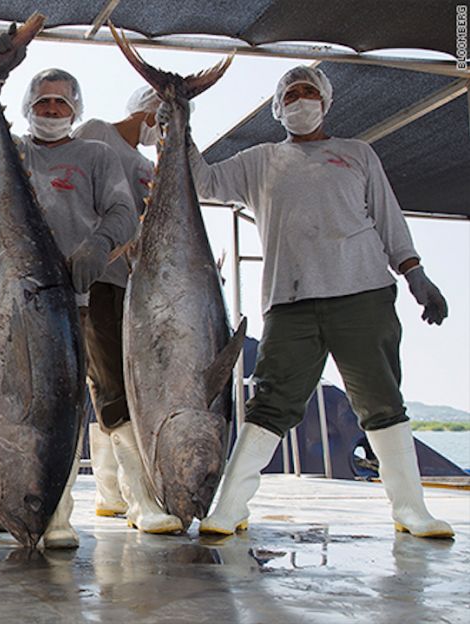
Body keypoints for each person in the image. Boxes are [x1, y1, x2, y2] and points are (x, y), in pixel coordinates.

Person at [189, 66, 453, 539]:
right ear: (278, 107)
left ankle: (411, 510)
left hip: (364, 293)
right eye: (291, 93)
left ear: (326, 101)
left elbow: (389, 222)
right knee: (270, 403)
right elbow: (202, 183)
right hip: (289, 302)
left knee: (382, 402)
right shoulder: (260, 160)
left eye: (309, 91)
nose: (301, 99)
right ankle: (229, 508)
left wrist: (416, 274)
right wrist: (178, 123)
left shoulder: (357, 154)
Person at [0, 68, 138, 548]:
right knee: (8, 394)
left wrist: (98, 246)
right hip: (5, 305)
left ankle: (57, 509)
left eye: (60, 103)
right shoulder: (10, 150)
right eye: (42, 103)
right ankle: (12, 491)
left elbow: (124, 213)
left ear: (75, 109)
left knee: (63, 399)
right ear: (26, 108)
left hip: (69, 298)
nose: (51, 111)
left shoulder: (95, 155)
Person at [71, 87, 187, 532]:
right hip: (95, 279)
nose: (157, 127)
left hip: (131, 288)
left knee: (117, 382)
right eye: (156, 116)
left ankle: (110, 496)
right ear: (144, 110)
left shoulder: (147, 166)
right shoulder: (97, 132)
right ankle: (139, 500)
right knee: (109, 382)